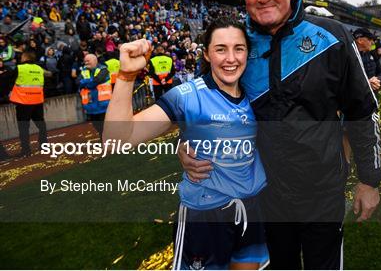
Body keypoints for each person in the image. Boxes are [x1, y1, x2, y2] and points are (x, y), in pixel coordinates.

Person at [180, 0, 381, 269]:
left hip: (323, 193)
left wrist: (370, 180)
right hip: (261, 196)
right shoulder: (234, 42)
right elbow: (202, 104)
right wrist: (185, 143)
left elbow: (361, 112)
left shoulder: (332, 36)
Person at [103, 19, 269, 270]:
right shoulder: (188, 96)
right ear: (206, 54)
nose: (231, 58)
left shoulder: (257, 94)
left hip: (252, 209)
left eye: (239, 48)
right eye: (221, 49)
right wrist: (127, 76)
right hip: (205, 215)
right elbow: (117, 141)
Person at [4, 51, 49, 156]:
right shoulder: (39, 68)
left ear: (25, 57)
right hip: (37, 101)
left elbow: (8, 79)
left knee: (24, 127)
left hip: (23, 102)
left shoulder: (20, 68)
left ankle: (26, 150)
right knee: (41, 124)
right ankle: (44, 145)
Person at [78, 54, 111, 139]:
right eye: (85, 61)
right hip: (91, 106)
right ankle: (104, 138)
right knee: (96, 125)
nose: (86, 62)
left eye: (88, 61)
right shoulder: (83, 71)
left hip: (103, 104)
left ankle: (107, 140)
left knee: (105, 125)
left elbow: (97, 80)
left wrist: (85, 82)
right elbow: (77, 82)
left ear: (95, 60)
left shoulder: (103, 69)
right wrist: (89, 82)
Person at [353, 27, 381, 93]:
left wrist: (377, 80)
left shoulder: (372, 53)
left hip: (373, 94)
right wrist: (366, 83)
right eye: (370, 39)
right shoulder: (350, 56)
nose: (373, 43)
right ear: (360, 40)